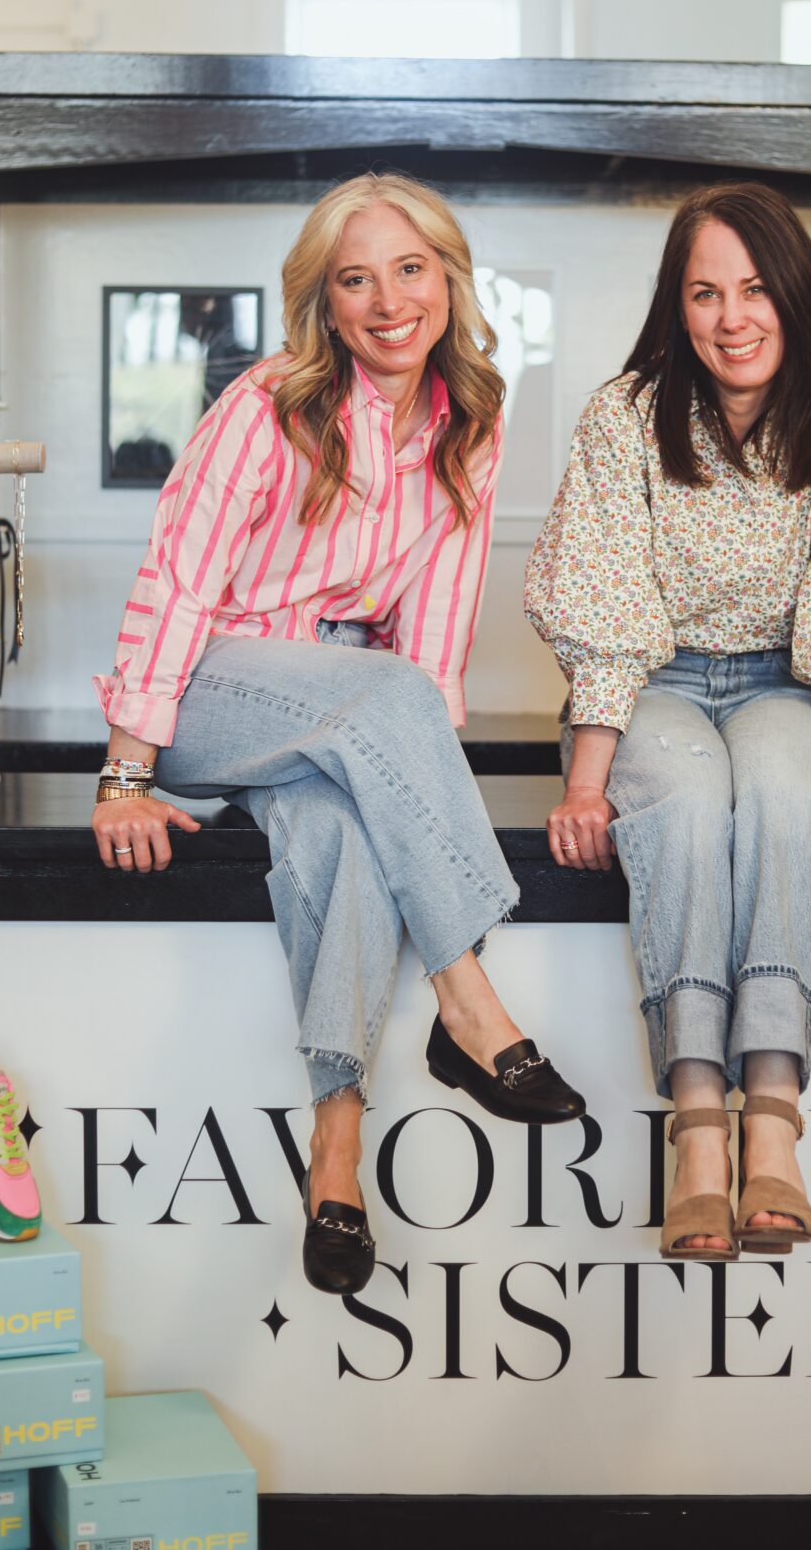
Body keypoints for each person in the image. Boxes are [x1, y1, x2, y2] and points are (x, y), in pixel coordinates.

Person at [92, 172, 585, 1295]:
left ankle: (336, 1152)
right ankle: (467, 998)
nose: (388, 301)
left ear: (449, 279)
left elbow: (439, 627)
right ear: (323, 300)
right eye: (355, 279)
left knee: (344, 837)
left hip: (343, 711)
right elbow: (176, 582)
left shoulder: (470, 419)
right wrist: (125, 772)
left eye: (410, 270)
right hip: (213, 689)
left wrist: (404, 783)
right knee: (386, 693)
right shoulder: (264, 404)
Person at [525, 182, 811, 1262]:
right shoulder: (623, 416)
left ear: (794, 296)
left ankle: (773, 1117)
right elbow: (606, 610)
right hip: (649, 686)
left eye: (754, 289)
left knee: (789, 799)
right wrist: (586, 784)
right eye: (704, 293)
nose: (731, 317)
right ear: (677, 304)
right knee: (690, 801)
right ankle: (699, 1126)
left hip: (782, 686)